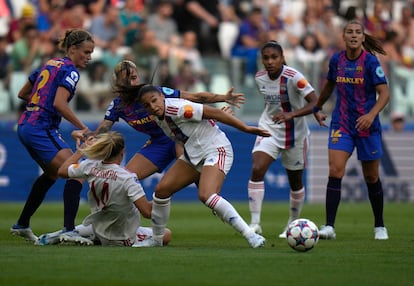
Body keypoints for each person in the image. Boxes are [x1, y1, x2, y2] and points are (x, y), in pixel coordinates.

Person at [127, 84, 270, 248]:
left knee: (206, 195)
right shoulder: (159, 117)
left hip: (216, 149)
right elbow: (191, 126)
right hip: (194, 154)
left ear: (162, 96)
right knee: (161, 191)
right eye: (147, 105)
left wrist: (245, 128)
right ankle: (157, 239)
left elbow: (213, 112)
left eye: (154, 100)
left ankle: (251, 235)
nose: (152, 106)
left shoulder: (177, 109)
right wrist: (211, 120)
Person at [10, 29, 94, 243]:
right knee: (76, 171)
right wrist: (83, 127)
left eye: (91, 52)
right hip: (41, 127)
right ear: (73, 49)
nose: (89, 57)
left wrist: (41, 104)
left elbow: (22, 93)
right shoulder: (71, 71)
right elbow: (59, 103)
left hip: (25, 125)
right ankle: (68, 230)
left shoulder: (49, 63)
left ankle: (22, 224)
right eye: (86, 52)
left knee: (51, 174)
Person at [312, 19, 390, 240]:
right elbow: (329, 85)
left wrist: (371, 114)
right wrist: (317, 107)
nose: (354, 35)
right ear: (343, 37)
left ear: (363, 37)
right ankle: (329, 226)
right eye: (350, 32)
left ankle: (379, 226)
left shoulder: (370, 62)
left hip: (367, 125)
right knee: (335, 171)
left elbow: (385, 94)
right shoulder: (337, 60)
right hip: (342, 124)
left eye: (358, 32)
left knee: (371, 176)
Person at [43, 131, 171, 247]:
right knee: (166, 234)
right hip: (122, 236)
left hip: (98, 228)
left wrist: (80, 151)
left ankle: (63, 235)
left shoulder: (90, 165)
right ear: (123, 151)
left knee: (87, 228)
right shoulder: (127, 177)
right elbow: (147, 213)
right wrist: (163, 196)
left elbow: (62, 171)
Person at [247, 41, 317, 238]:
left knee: (295, 182)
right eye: (266, 58)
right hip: (269, 127)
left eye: (274, 57)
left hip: (296, 134)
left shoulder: (295, 77)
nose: (269, 62)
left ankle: (291, 224)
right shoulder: (260, 77)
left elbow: (315, 101)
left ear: (282, 58)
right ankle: (255, 223)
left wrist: (291, 115)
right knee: (257, 168)